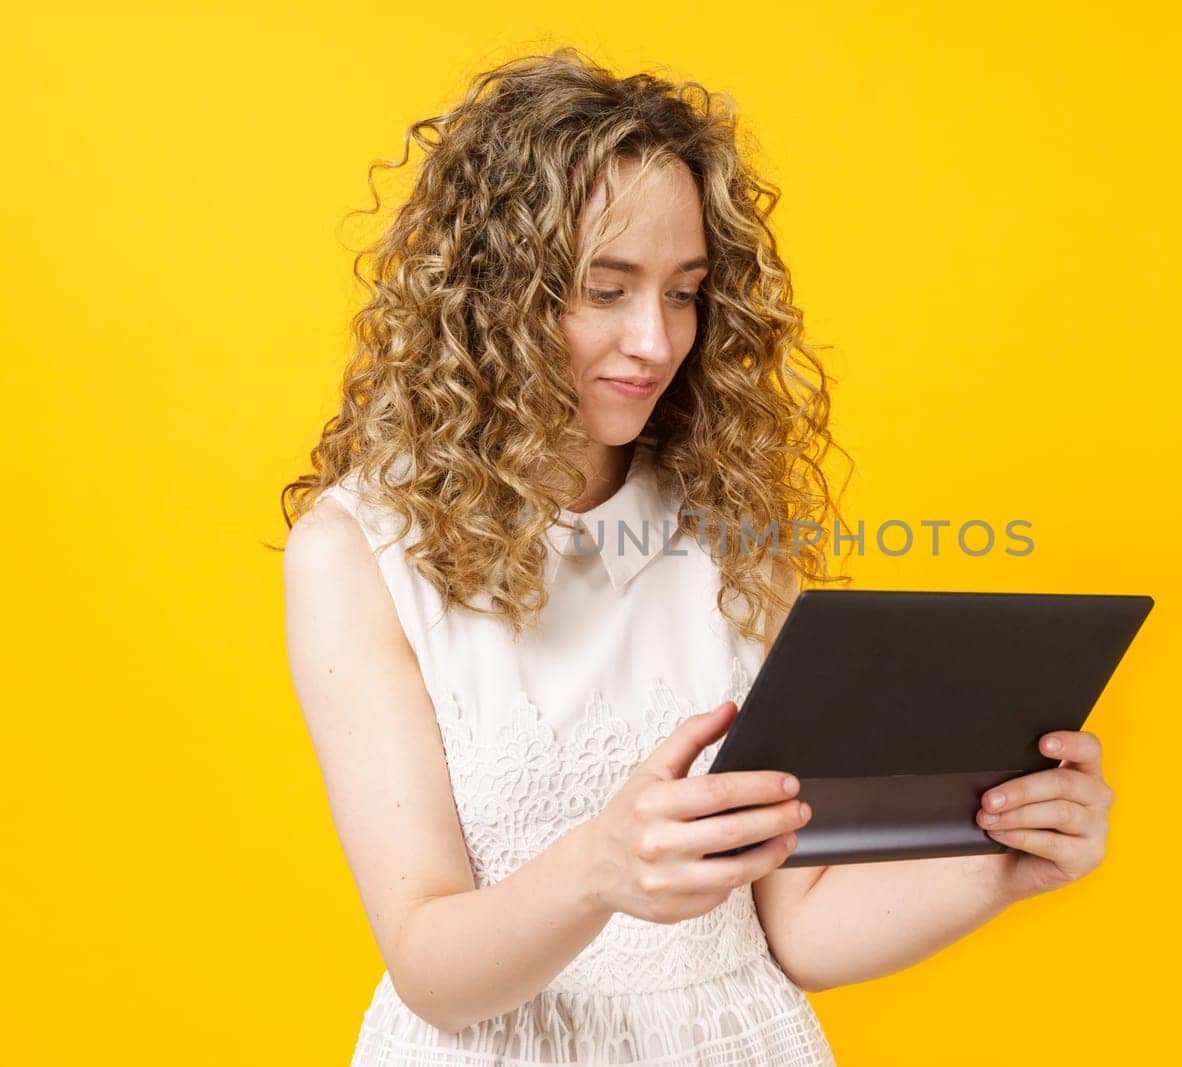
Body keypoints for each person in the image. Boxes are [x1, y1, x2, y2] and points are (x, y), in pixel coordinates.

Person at [279, 46, 1113, 1067]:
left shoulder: (730, 520)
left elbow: (797, 924)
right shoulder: (355, 553)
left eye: (683, 292)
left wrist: (1003, 860)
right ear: (490, 295)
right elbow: (431, 968)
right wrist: (598, 867)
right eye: (605, 288)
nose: (654, 340)